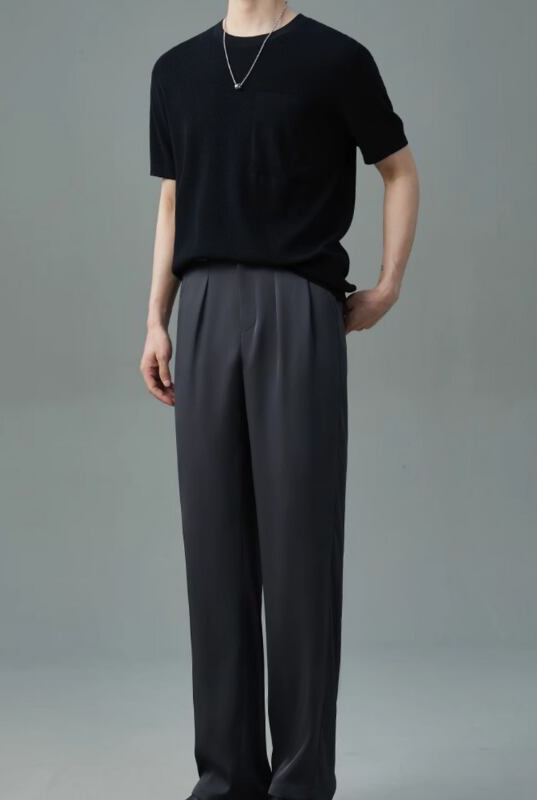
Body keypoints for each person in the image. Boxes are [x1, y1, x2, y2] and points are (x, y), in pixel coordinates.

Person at [140, 2, 419, 798]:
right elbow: (173, 201)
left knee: (300, 550)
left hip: (299, 307)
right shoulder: (176, 71)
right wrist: (155, 318)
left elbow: (399, 169)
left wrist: (388, 285)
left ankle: (300, 782)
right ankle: (226, 779)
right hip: (202, 307)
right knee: (213, 551)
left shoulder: (336, 59)